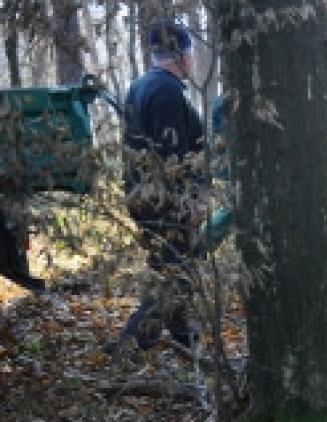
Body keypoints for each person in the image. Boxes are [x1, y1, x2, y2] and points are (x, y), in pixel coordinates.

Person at [117, 18, 205, 350]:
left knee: (172, 265)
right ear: (182, 56)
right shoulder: (167, 91)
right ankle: (132, 342)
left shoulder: (140, 85)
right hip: (165, 201)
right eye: (191, 54)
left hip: (144, 196)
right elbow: (174, 156)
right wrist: (190, 201)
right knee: (174, 270)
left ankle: (183, 334)